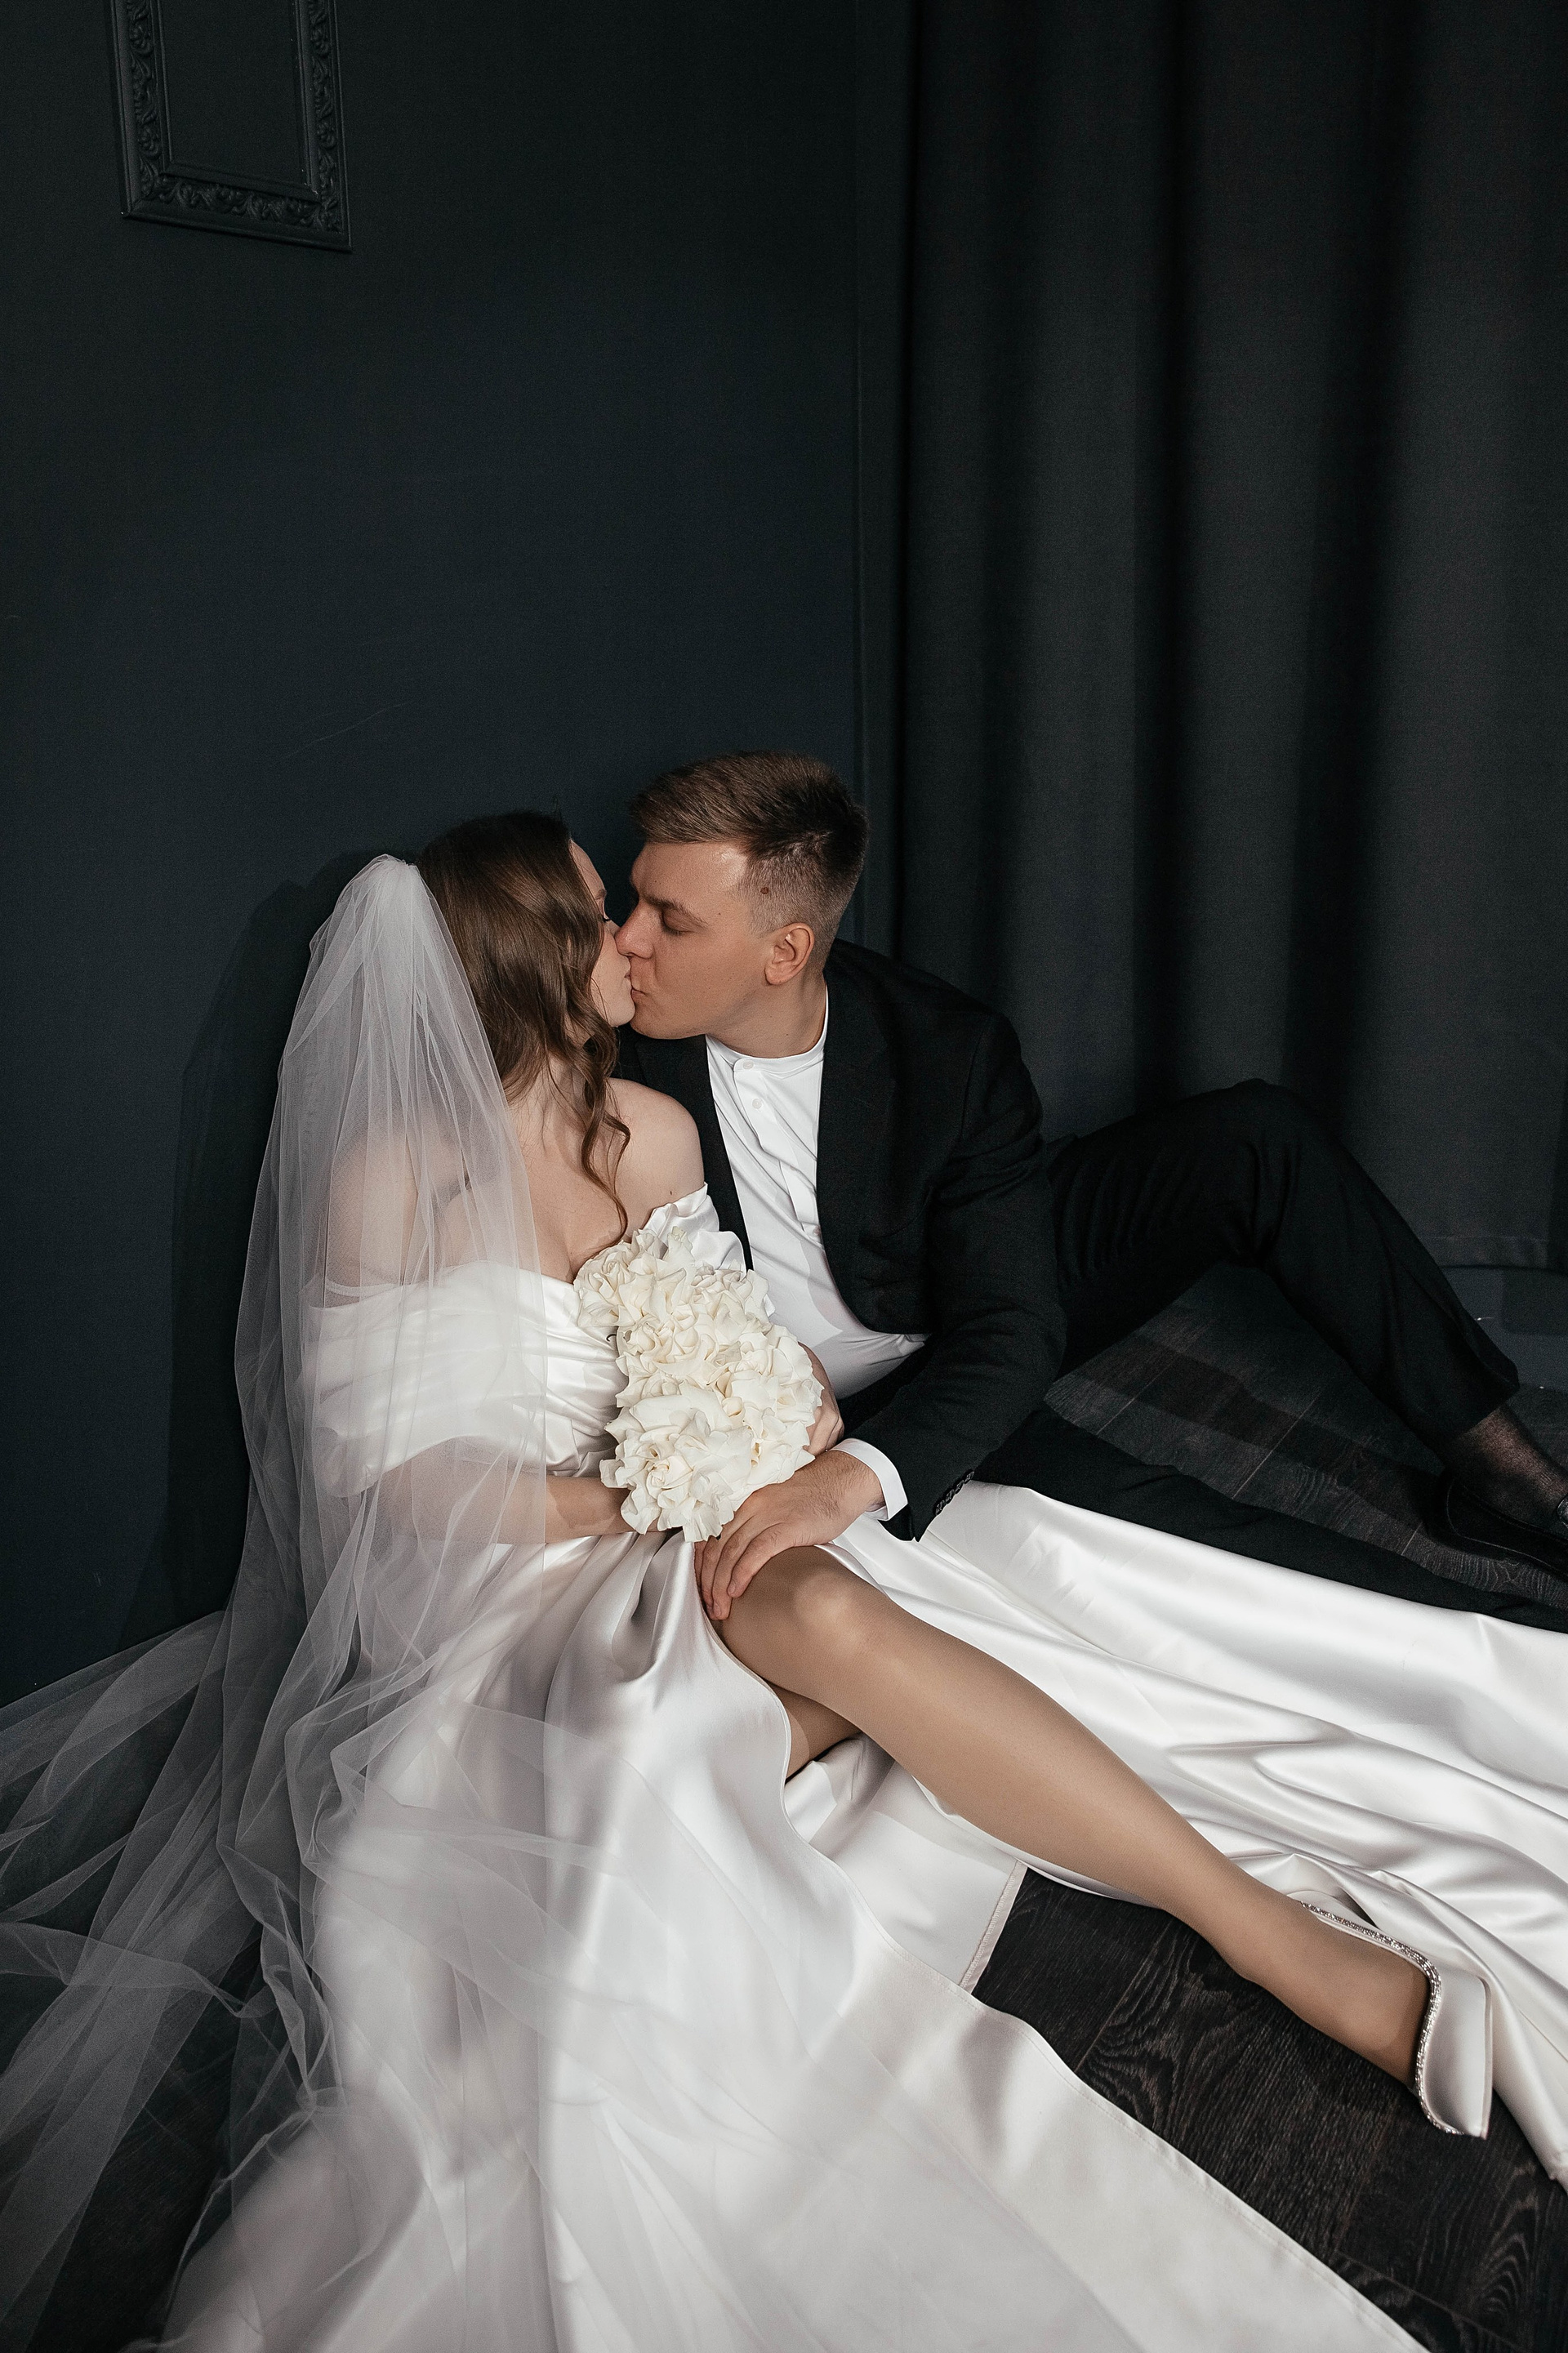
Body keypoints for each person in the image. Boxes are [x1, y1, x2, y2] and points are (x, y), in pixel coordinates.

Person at [0, 815, 1559, 2353]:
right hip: (514, 1581)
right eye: (600, 913)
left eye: (640, 909)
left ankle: (1271, 1937)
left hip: (698, 1528)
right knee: (729, 1682)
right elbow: (387, 1482)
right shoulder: (388, 1186)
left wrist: (778, 1412)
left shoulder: (647, 1130)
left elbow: (730, 1329)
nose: (627, 940)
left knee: (828, 1600)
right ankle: (963, 1794)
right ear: (531, 958)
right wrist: (632, 1491)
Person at [611, 751, 1568, 1620]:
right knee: (1183, 1543)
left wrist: (854, 1479)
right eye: (634, 901)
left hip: (960, 1313)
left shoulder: (943, 1046)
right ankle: (1515, 1638)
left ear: (785, 951)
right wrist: (850, 1461)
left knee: (1255, 1138)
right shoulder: (607, 1054)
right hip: (836, 1404)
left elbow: (1008, 1324)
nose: (626, 939)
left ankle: (1504, 1472)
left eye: (671, 921)